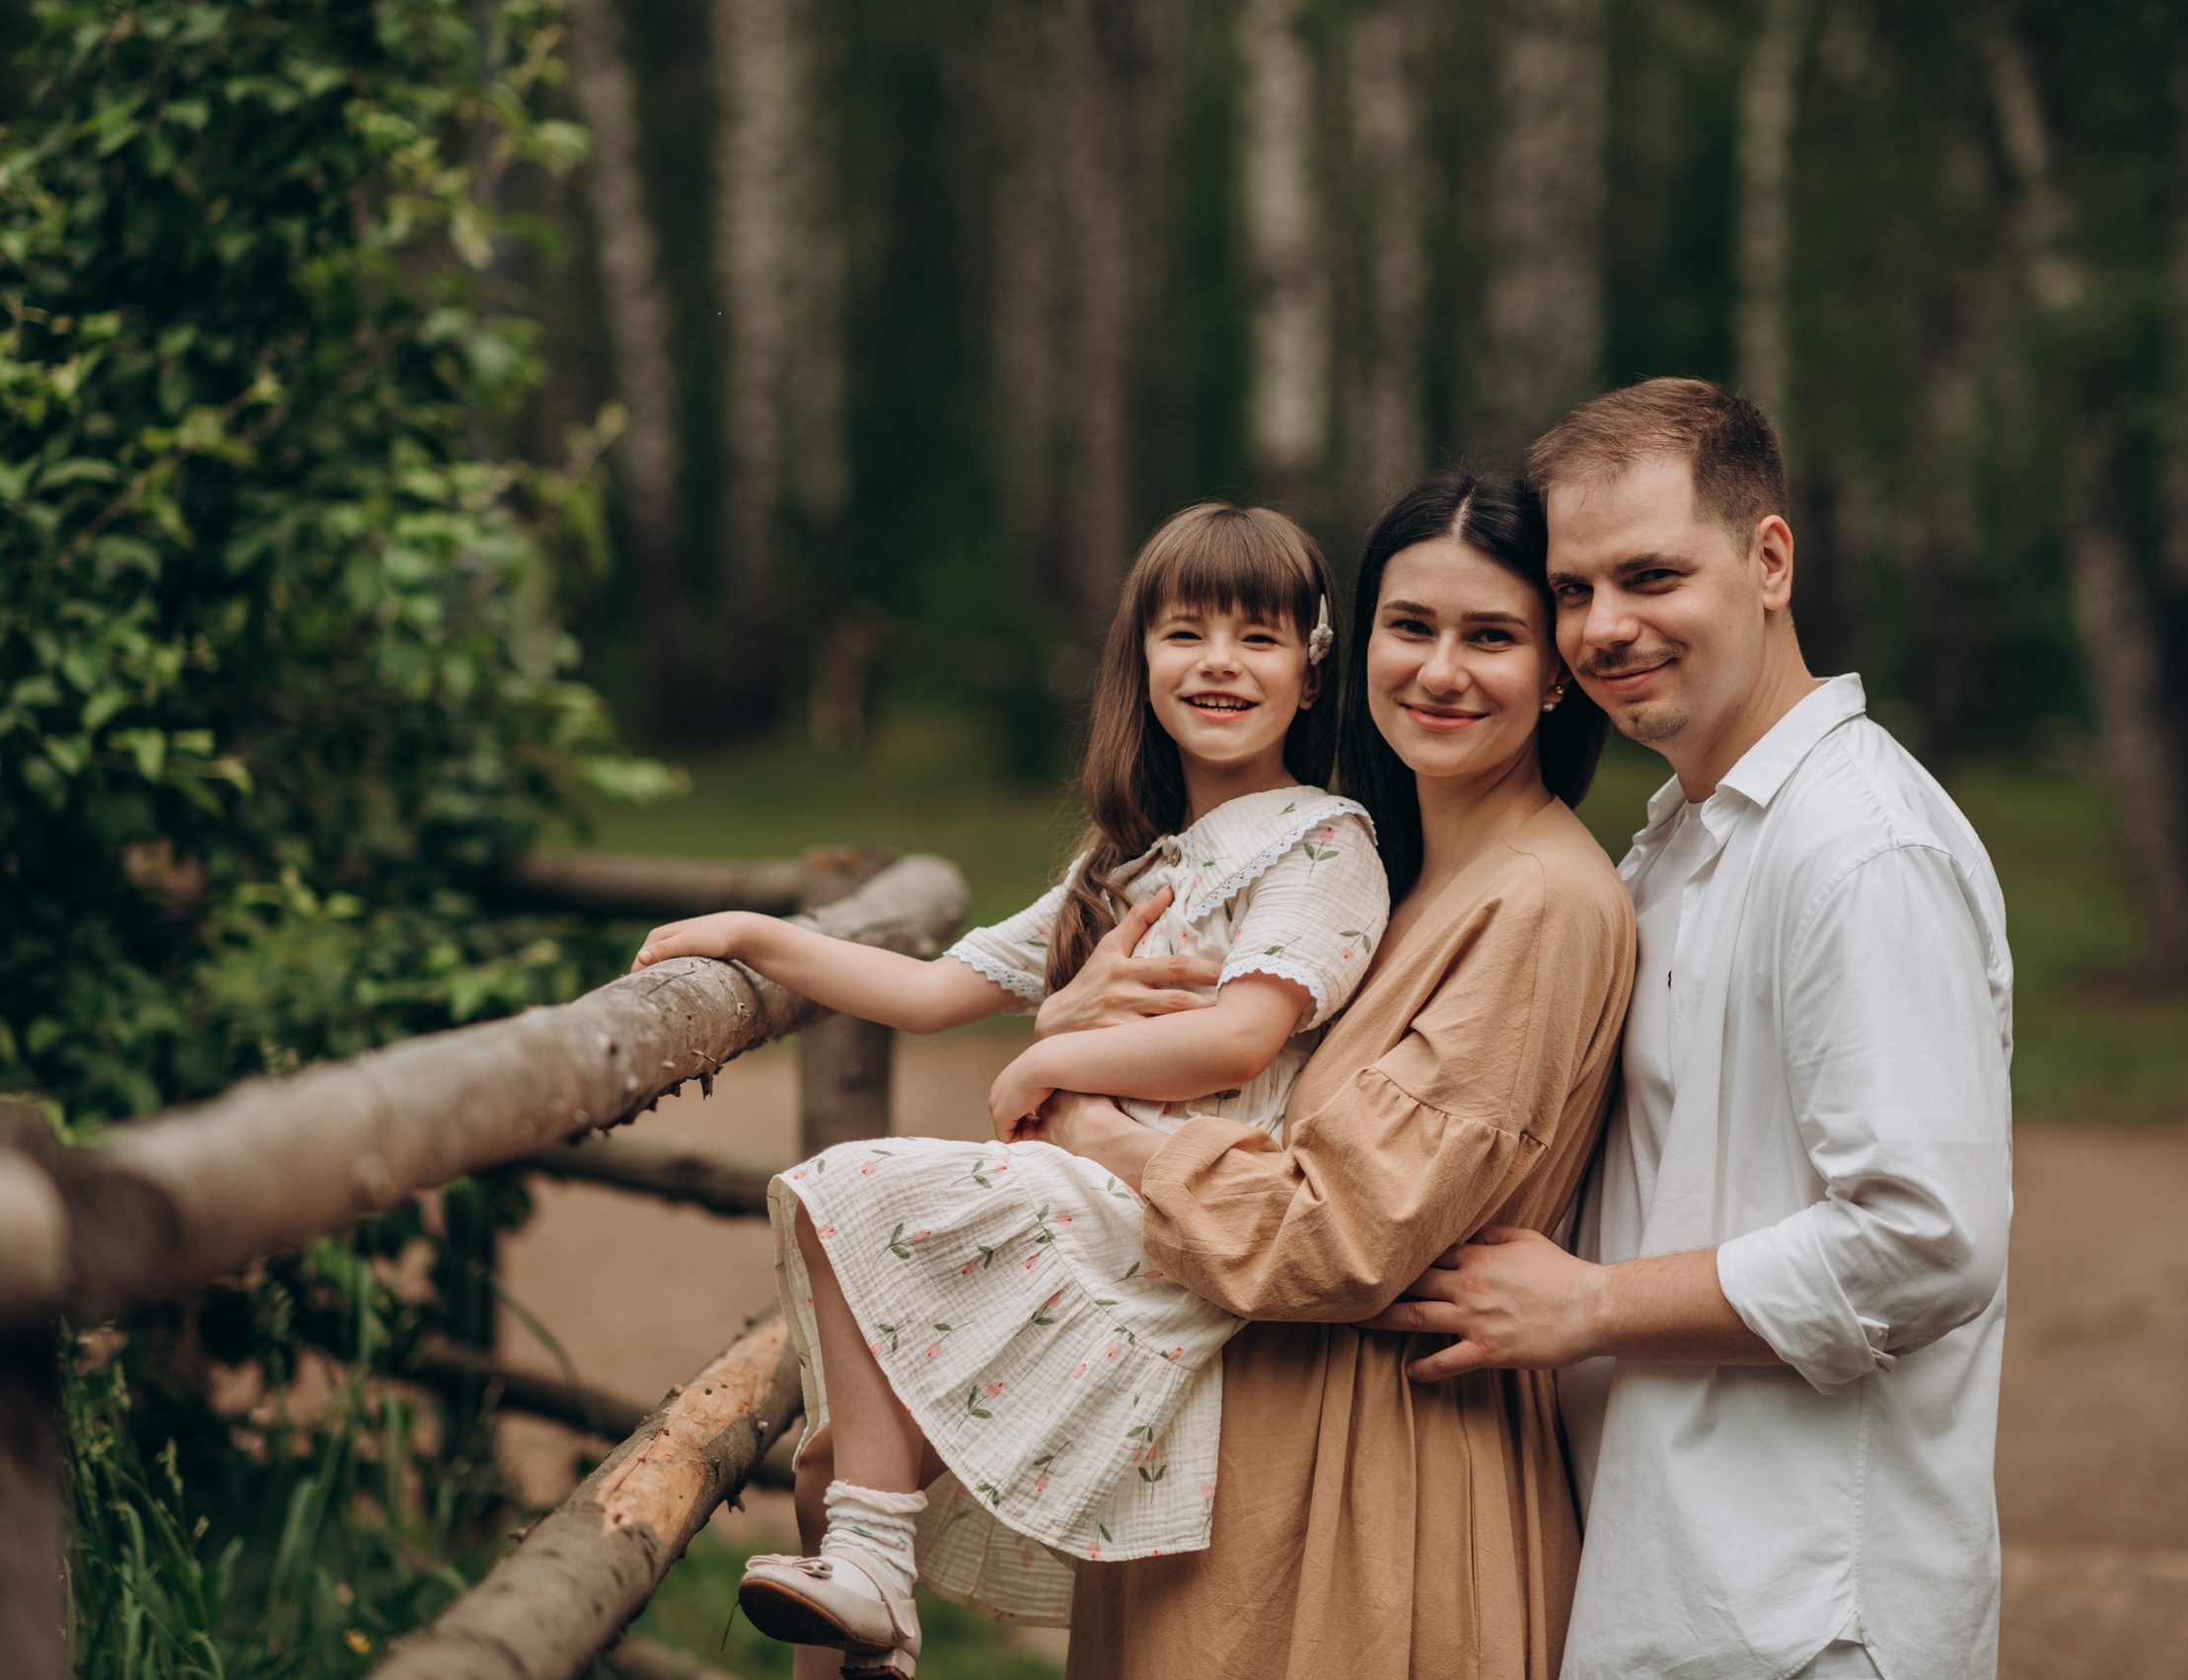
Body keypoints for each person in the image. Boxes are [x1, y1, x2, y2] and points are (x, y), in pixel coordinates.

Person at [629, 503, 1389, 1673]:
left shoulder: (1320, 843)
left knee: (856, 1190)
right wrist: (753, 933)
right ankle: (871, 1581)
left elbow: (1242, 1037)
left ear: (1312, 667)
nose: (1221, 663)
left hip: (1178, 1213)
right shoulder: (1129, 858)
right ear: (1140, 658)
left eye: (1261, 637)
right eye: (1186, 632)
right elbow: (934, 987)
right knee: (830, 1456)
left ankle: (877, 1566)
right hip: (1089, 1201)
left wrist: (1048, 1057)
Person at [1367, 380, 2014, 1680]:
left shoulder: (1857, 848)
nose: (1605, 627)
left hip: (1807, 1610)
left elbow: (1925, 1235)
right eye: (1574, 589)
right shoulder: (1685, 838)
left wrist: (1592, 1302)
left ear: (1770, 560)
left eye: (1651, 575)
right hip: (1678, 1577)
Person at [1025, 469, 1637, 1679]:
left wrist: (1103, 1138)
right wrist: (1075, 1019)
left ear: (1557, 667)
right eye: (1410, 628)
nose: (1441, 670)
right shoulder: (1376, 877)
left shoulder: (1542, 900)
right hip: (1247, 1474)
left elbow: (1346, 1230)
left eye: (1493, 636)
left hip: (1381, 1493)